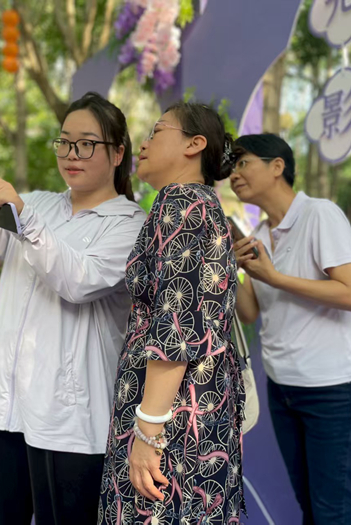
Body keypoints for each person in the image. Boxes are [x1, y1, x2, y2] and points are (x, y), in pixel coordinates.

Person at [0, 92, 146, 525]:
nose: (72, 154)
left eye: (87, 143)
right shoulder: (40, 202)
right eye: (64, 142)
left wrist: (24, 216)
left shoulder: (131, 225)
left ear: (118, 153)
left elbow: (79, 281)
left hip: (67, 423)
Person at [98, 102, 246, 524]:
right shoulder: (201, 205)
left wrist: (148, 433)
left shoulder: (182, 203)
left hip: (173, 421)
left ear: (194, 145)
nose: (142, 144)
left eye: (157, 131)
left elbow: (176, 330)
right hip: (193, 411)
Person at [230, 133, 351, 525]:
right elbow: (249, 312)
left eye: (243, 162)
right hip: (283, 389)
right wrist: (229, 266)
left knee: (332, 512)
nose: (234, 174)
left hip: (332, 389)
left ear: (277, 166)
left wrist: (275, 277)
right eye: (232, 167)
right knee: (310, 506)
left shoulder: (319, 215)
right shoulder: (258, 236)